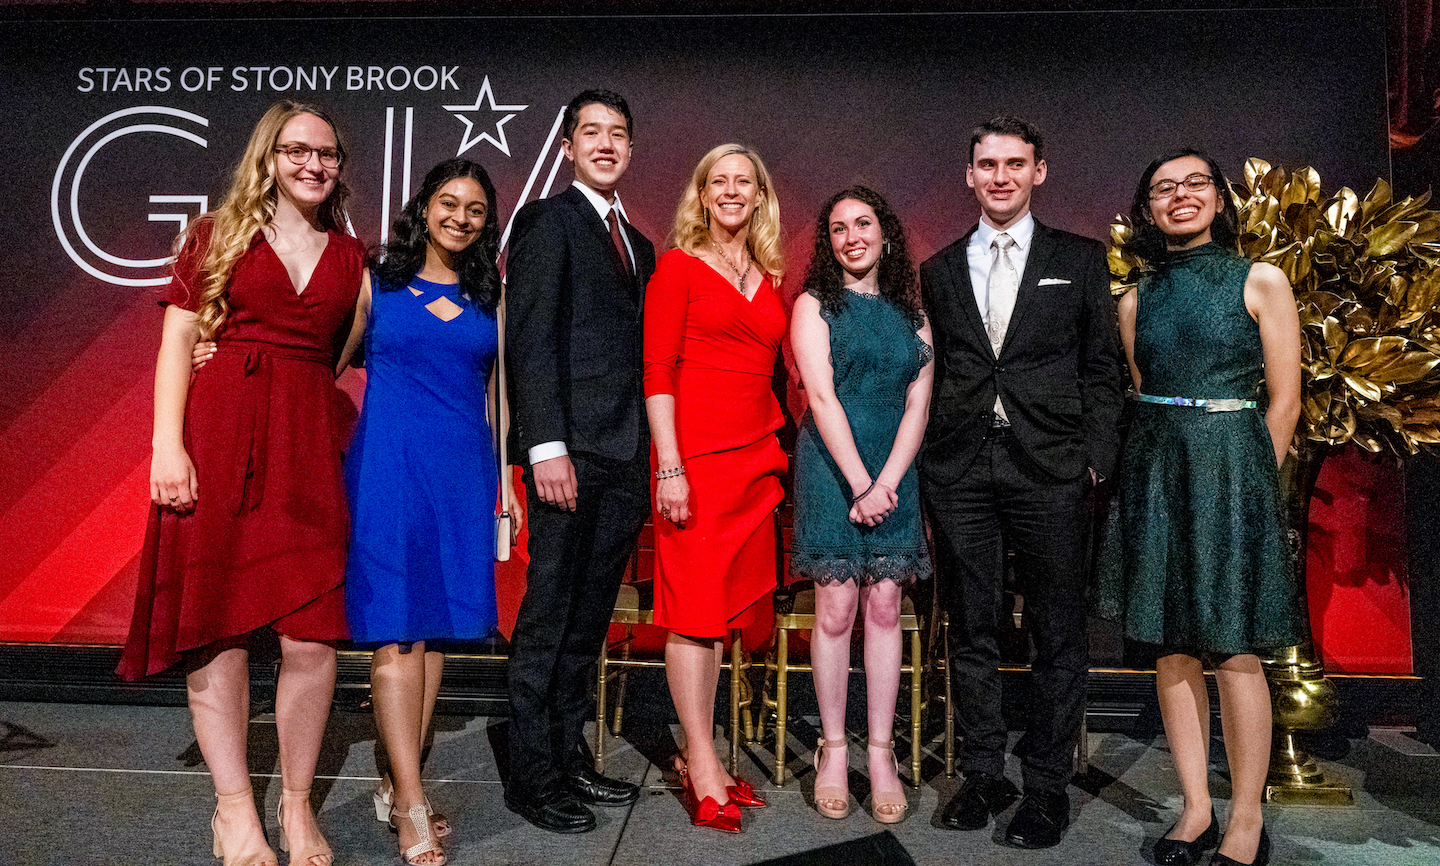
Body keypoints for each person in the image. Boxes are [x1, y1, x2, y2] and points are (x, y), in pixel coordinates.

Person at [118, 101, 364, 866]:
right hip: (217, 440)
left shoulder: (354, 258)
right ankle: (234, 811)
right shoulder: (213, 234)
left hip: (304, 449)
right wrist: (167, 447)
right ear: (269, 154)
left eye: (325, 154)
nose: (313, 165)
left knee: (312, 637)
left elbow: (339, 356)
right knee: (216, 627)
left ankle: (294, 806)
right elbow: (178, 339)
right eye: (297, 151)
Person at [920, 115, 1123, 849]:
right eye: (987, 164)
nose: (999, 176)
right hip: (964, 468)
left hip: (1053, 470)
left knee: (1057, 634)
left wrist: (1095, 457)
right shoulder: (939, 269)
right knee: (969, 625)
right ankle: (982, 772)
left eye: (1014, 163)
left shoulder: (1081, 257)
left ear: (1039, 171)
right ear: (968, 175)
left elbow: (1104, 369)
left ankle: (1044, 787)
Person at [1096, 149, 1303, 866]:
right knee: (1171, 647)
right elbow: (1143, 393)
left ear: (1218, 198)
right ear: (1148, 208)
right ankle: (1194, 808)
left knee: (1236, 648)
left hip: (1232, 473)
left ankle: (1245, 819)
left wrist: (1247, 486)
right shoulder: (1135, 300)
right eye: (1163, 188)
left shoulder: (1261, 281)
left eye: (1194, 184)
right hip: (1156, 474)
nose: (1180, 196)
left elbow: (1284, 401)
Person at [341, 158, 519, 864]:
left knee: (437, 634)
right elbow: (319, 367)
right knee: (396, 635)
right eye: (449, 203)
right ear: (426, 207)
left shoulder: (488, 293)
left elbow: (497, 401)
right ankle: (412, 802)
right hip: (387, 469)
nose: (461, 218)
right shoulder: (376, 283)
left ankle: (395, 782)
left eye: (475, 209)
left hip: (462, 477)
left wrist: (503, 487)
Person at [504, 89, 657, 834]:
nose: (605, 143)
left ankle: (567, 757)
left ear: (631, 149)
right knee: (547, 617)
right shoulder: (547, 221)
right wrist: (544, 446)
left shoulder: (641, 243)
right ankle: (531, 777)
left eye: (617, 134)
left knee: (588, 622)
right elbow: (529, 339)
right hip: (567, 456)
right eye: (590, 132)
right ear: (567, 147)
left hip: (624, 459)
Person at [645, 143, 787, 833]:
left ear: (760, 196)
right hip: (695, 465)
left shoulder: (771, 274)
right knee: (693, 616)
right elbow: (658, 372)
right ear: (701, 195)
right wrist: (670, 465)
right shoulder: (677, 268)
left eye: (744, 181)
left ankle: (707, 755)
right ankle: (701, 762)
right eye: (718, 182)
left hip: (757, 464)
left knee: (724, 619)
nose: (731, 191)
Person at [790, 186, 933, 825]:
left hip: (896, 473)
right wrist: (859, 484)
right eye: (840, 228)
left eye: (864, 223)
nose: (852, 236)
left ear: (885, 233)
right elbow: (820, 400)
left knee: (883, 606)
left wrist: (889, 481)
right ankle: (833, 748)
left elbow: (917, 406)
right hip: (832, 467)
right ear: (829, 242)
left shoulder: (914, 315)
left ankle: (880, 754)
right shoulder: (814, 305)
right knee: (838, 607)